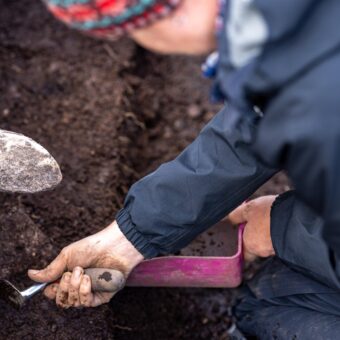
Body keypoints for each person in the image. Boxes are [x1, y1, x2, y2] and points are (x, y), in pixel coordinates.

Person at [29, 0, 340, 338]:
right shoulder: (295, 30)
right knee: (276, 299)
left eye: (130, 33)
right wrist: (128, 237)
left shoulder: (317, 98)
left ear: (164, 16)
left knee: (280, 314)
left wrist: (283, 228)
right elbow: (255, 123)